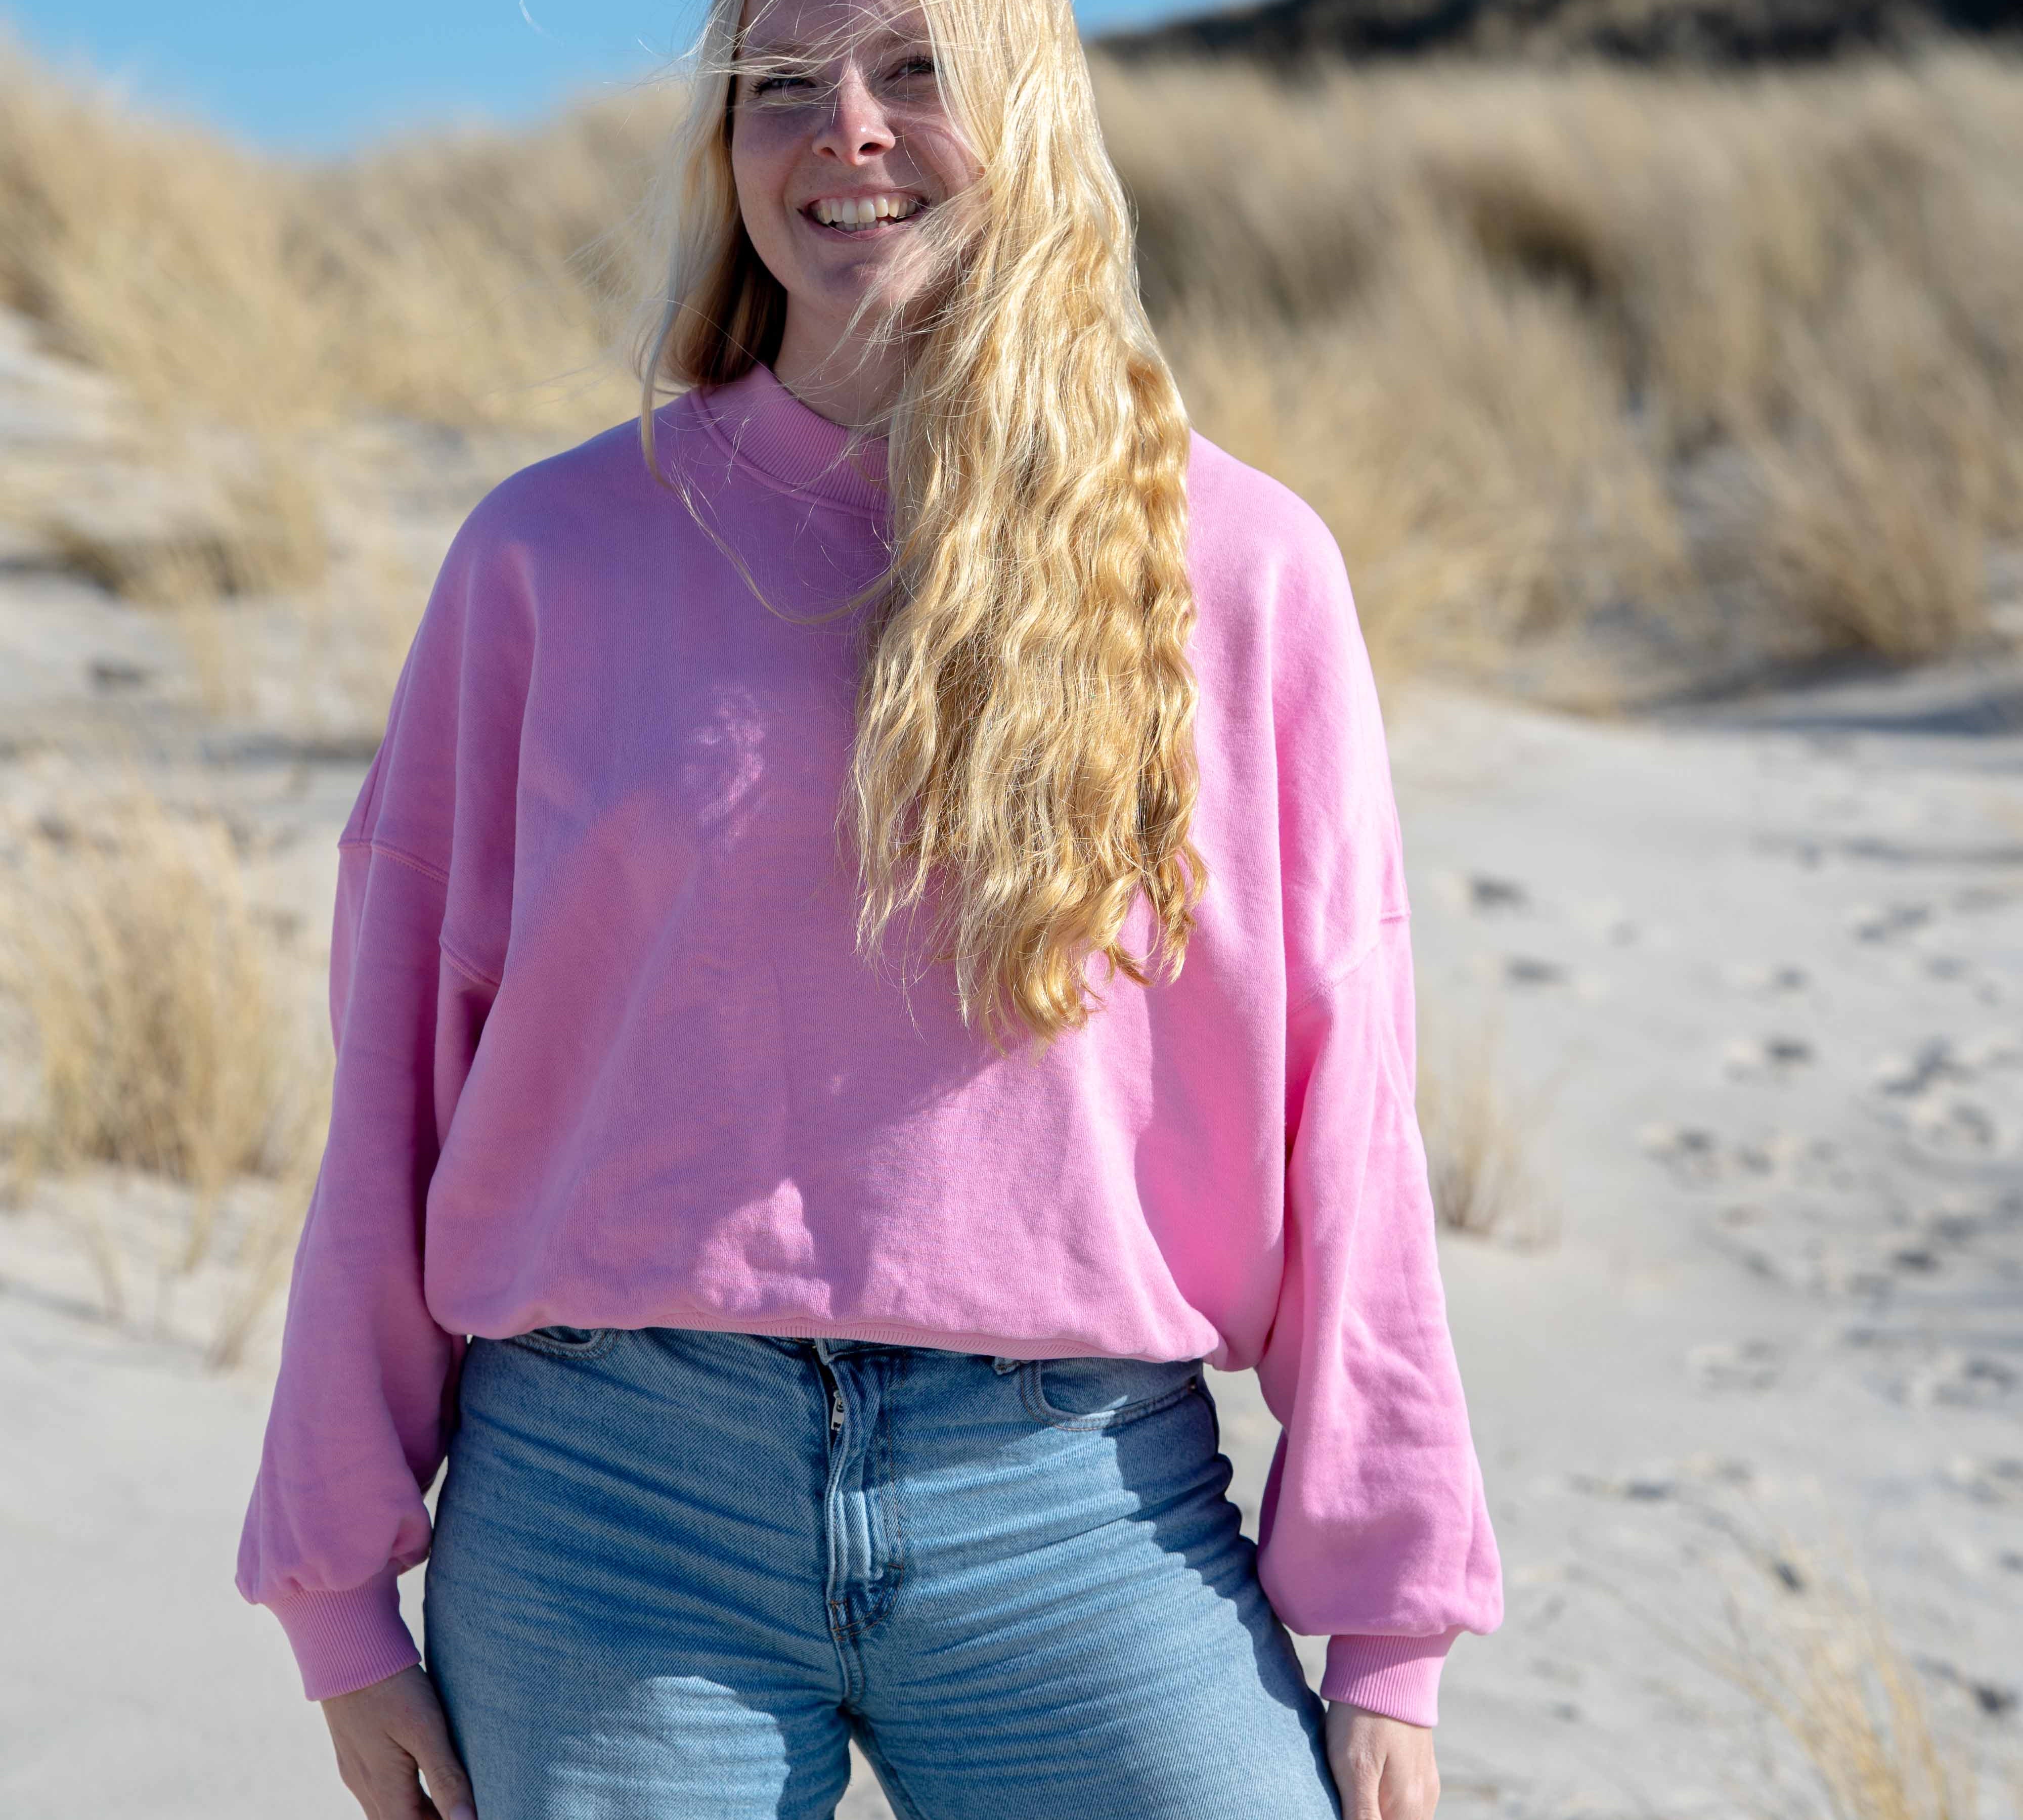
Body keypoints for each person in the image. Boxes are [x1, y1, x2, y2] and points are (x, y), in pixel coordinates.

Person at [234, 0, 1505, 1812]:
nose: (846, 126)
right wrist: (337, 1594)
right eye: (783, 82)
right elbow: (394, 1083)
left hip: (1082, 1509)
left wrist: (1390, 1631)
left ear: (1030, 103)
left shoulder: (1239, 565)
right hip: (609, 1507)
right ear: (725, 144)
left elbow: (1344, 1098)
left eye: (916, 65)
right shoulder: (550, 554)